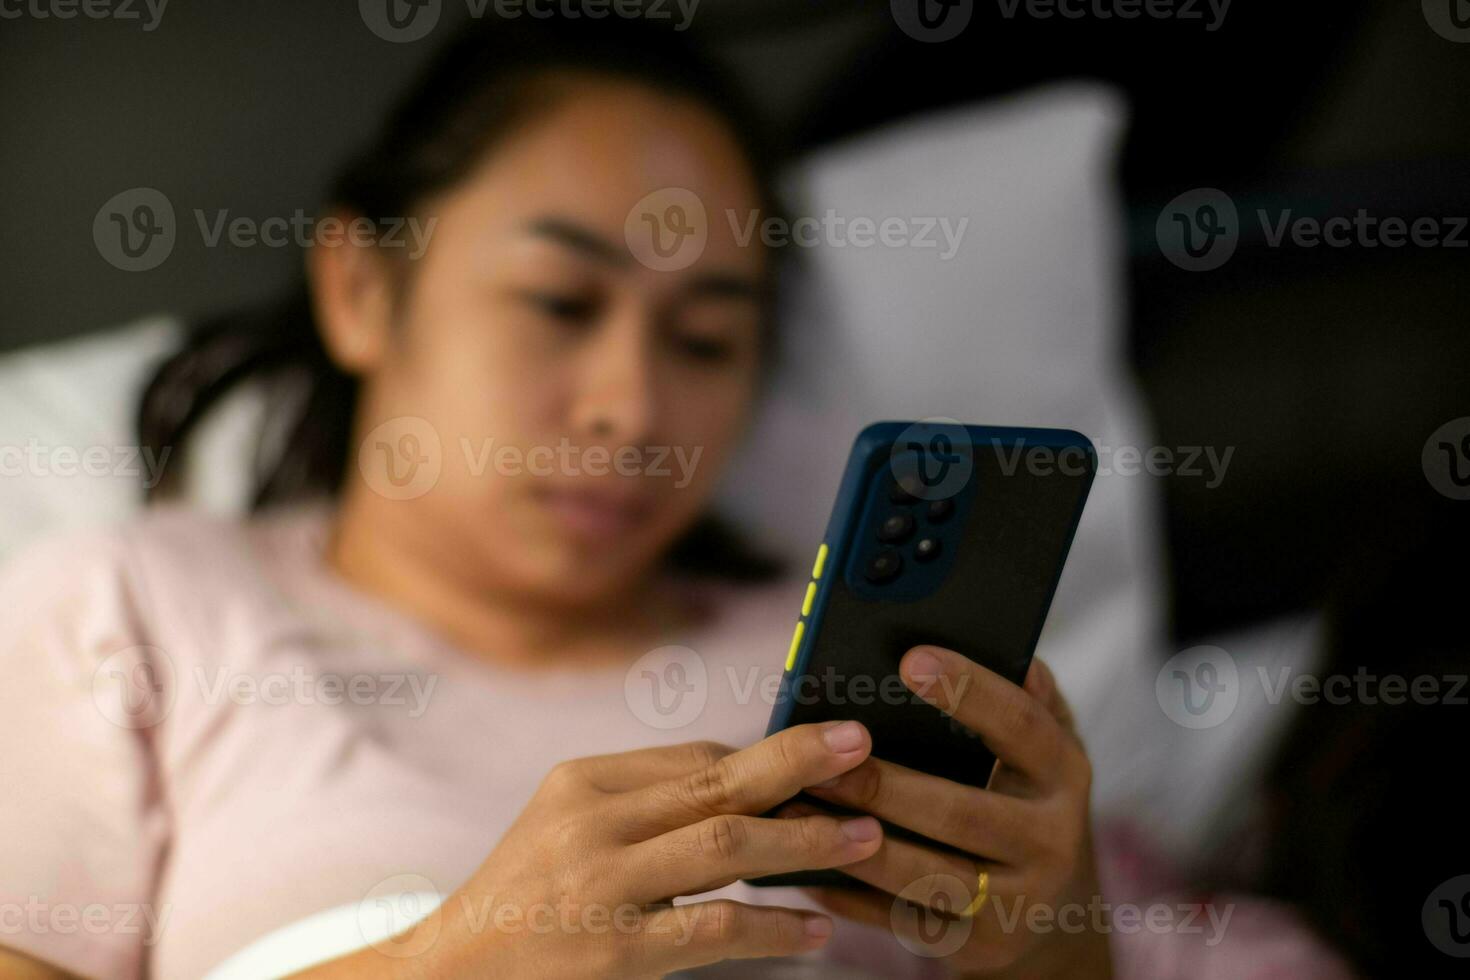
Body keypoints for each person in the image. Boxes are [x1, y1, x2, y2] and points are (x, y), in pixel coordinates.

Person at [0, 9, 1347, 979]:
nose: (630, 408)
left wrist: (1062, 963)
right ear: (360, 285)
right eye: (558, 302)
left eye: (704, 341)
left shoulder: (870, 689)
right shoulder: (143, 609)